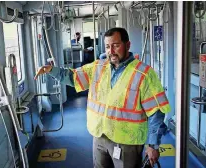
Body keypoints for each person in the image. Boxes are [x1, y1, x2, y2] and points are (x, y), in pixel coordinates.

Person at [34, 27, 170, 168]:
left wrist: (152, 145)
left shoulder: (144, 74)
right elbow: (73, 77)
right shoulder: (98, 67)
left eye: (116, 45)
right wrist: (51, 70)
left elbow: (156, 111)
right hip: (100, 137)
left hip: (128, 142)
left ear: (127, 45)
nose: (110, 51)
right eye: (107, 46)